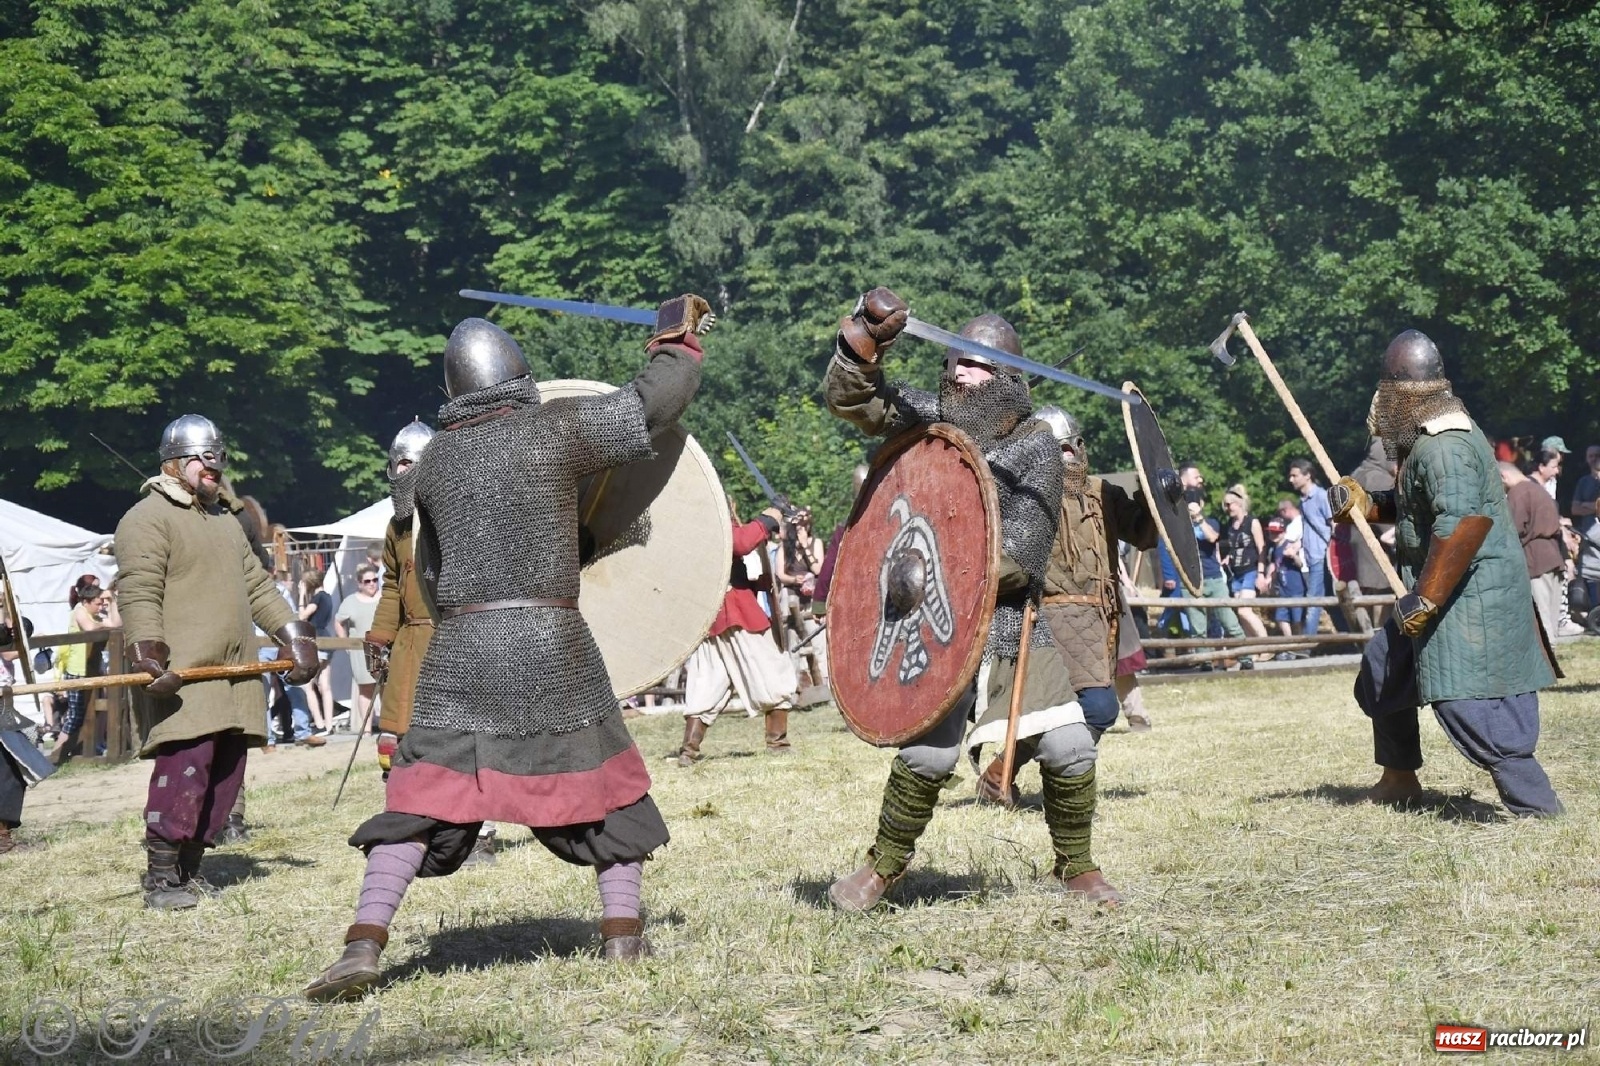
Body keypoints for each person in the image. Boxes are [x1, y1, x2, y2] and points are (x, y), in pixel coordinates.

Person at [305, 302, 711, 1001]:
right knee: (606, 789)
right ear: (520, 374)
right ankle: (622, 936)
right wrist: (677, 339)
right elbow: (655, 405)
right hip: (553, 642)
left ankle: (362, 946)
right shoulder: (554, 430)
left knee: (420, 796)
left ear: (453, 390)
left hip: (460, 647)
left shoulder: (431, 463)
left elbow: (427, 573)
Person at [821, 289, 1117, 909]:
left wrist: (957, 579)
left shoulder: (1034, 445)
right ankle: (882, 867)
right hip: (936, 627)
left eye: (977, 364)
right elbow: (857, 401)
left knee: (1070, 747)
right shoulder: (932, 420)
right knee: (927, 758)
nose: (961, 372)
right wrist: (866, 340)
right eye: (957, 361)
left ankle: (1078, 867)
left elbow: (1021, 555)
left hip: (1011, 623)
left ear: (1008, 377)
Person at [1333, 330, 1561, 816]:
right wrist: (1368, 504)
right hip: (1441, 588)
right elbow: (1424, 509)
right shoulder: (1430, 437)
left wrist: (1428, 598)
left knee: (1474, 706)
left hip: (1469, 596)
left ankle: (1537, 808)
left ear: (1400, 393)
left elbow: (1461, 526)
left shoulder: (1445, 445)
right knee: (1384, 669)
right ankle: (1399, 779)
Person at [115, 414, 320, 908]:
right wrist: (147, 650)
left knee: (225, 776)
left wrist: (293, 634)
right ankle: (162, 878)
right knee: (185, 770)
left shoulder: (226, 523)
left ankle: (190, 872)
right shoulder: (146, 519)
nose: (214, 468)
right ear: (175, 462)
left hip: (234, 673)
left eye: (217, 459)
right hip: (185, 676)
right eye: (204, 460)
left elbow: (258, 588)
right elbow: (138, 591)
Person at [973, 405, 1156, 868]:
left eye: (1074, 445)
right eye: (1059, 449)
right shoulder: (1026, 497)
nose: (1070, 456)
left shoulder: (1103, 493)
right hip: (1044, 618)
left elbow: (1145, 532)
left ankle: (1004, 769)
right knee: (1097, 706)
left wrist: (1160, 497)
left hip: (1098, 620)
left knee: (1077, 709)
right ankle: (1025, 772)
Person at [674, 507, 800, 765]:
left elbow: (726, 563)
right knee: (774, 673)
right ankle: (778, 744)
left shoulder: (685, 528)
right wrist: (768, 520)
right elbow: (739, 543)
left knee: (707, 684)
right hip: (735, 611)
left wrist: (754, 585)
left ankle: (689, 751)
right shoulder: (707, 517)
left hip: (712, 615)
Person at [52, 577, 119, 764]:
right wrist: (103, 623)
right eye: (98, 604)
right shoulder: (80, 611)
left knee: (93, 712)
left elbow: (116, 624)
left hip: (90, 668)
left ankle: (76, 749)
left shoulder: (93, 612)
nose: (100, 607)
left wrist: (112, 601)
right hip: (77, 670)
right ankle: (56, 754)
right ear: (86, 602)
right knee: (75, 716)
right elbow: (89, 628)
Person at [1499, 461, 1565, 646]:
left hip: (1535, 559)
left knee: (1541, 612)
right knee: (1550, 612)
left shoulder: (1518, 493)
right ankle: (1551, 650)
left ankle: (1547, 657)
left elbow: (1513, 529)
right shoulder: (1539, 490)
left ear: (1504, 476)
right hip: (1553, 555)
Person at [1348, 440, 1398, 629]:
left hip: (1361, 542)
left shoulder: (1359, 474)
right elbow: (1386, 519)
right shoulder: (1377, 478)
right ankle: (1380, 637)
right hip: (1376, 545)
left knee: (1371, 594)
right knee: (1382, 595)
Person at [1220, 485, 1270, 655]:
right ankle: (1253, 651)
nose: (1227, 508)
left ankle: (1267, 646)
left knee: (1245, 610)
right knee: (1240, 614)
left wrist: (1261, 574)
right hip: (1236, 573)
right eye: (1225, 505)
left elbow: (1261, 547)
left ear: (1239, 503)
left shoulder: (1252, 522)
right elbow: (1234, 547)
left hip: (1251, 570)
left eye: (1230, 504)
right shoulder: (1230, 525)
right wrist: (1228, 558)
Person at [1288, 458, 1333, 636]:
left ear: (1307, 476)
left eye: (1294, 475)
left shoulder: (1321, 496)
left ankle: (1307, 643)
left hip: (1322, 555)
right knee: (1330, 600)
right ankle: (1351, 637)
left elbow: (1334, 525)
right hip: (1312, 555)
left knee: (1313, 599)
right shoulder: (1304, 501)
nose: (1291, 479)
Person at [336, 564, 382, 734]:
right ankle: (367, 729)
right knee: (366, 688)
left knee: (385, 687)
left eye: (375, 580)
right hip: (360, 650)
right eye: (367, 581)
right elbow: (338, 622)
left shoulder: (384, 597)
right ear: (359, 583)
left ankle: (387, 728)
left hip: (382, 647)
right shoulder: (350, 601)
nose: (372, 584)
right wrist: (345, 643)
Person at [297, 570, 337, 734]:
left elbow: (302, 616)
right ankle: (329, 724)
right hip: (327, 639)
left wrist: (301, 595)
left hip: (316, 640)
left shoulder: (317, 598)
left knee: (308, 685)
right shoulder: (327, 597)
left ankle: (320, 724)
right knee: (325, 685)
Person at [1266, 500, 1308, 656]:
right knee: (1281, 617)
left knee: (1297, 619)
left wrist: (1294, 556)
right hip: (1282, 590)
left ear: (1283, 532)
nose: (1274, 535)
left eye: (1276, 532)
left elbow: (1299, 563)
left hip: (1296, 588)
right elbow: (1274, 565)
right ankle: (1290, 642)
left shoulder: (1290, 545)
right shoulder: (1274, 549)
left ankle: (1299, 645)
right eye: (1271, 532)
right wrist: (1269, 577)